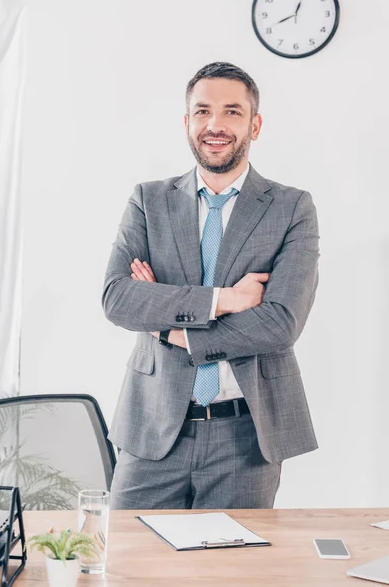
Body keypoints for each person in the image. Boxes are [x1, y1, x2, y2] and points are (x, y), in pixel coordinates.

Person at [102, 61, 319, 510]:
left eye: (232, 112)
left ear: (254, 125)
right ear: (187, 123)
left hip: (245, 437)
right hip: (151, 429)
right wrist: (228, 299)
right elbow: (118, 298)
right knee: (132, 569)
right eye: (202, 112)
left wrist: (169, 328)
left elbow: (280, 322)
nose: (215, 125)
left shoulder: (291, 207)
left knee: (231, 573)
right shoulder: (148, 200)